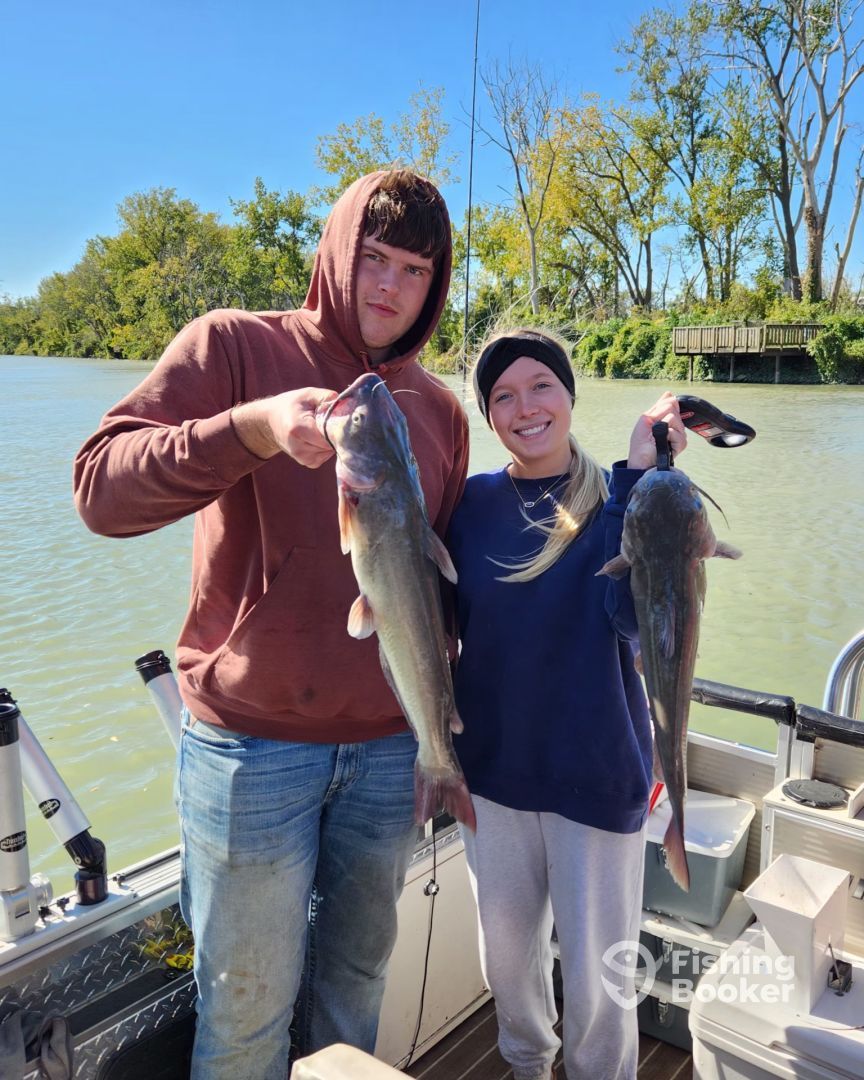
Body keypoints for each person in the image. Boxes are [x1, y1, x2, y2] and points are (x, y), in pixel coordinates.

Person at [73, 170, 469, 1079]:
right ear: (338, 250)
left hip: (387, 757)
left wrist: (444, 735)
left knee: (355, 993)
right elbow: (99, 489)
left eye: (415, 269)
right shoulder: (233, 347)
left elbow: (435, 586)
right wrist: (248, 429)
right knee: (246, 1014)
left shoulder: (443, 412)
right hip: (249, 755)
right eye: (374, 257)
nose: (389, 286)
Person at [446, 327, 686, 1080]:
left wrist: (642, 474)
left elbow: (629, 617)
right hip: (494, 779)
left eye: (541, 386)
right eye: (503, 396)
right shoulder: (470, 504)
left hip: (597, 776)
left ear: (571, 395)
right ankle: (526, 1067)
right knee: (509, 973)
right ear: (488, 416)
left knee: (598, 986)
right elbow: (438, 624)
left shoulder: (621, 493)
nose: (526, 407)